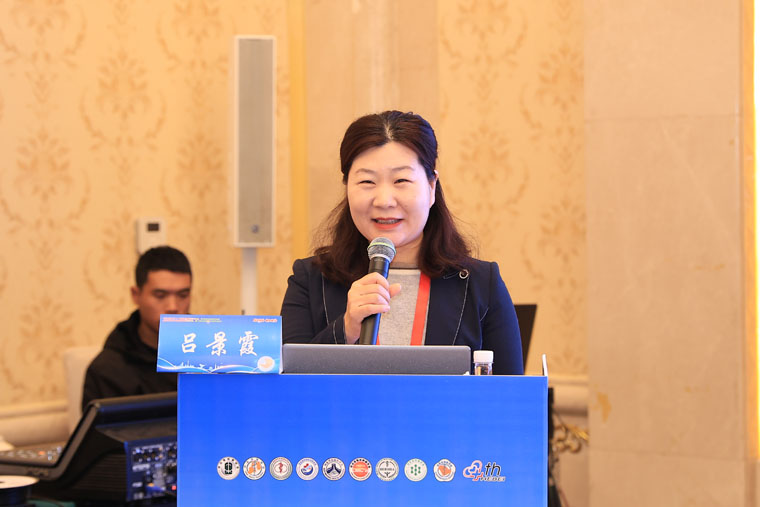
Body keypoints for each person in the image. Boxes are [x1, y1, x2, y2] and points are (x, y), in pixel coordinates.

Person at [280, 110, 523, 374]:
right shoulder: (310, 280)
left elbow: (513, 394)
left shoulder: (480, 284)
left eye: (401, 181)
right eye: (367, 181)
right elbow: (286, 387)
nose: (384, 200)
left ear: (431, 186)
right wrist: (346, 329)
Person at [82, 246, 192, 409]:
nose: (173, 307)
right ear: (136, 295)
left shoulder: (210, 354)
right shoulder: (107, 370)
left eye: (183, 295)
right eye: (160, 296)